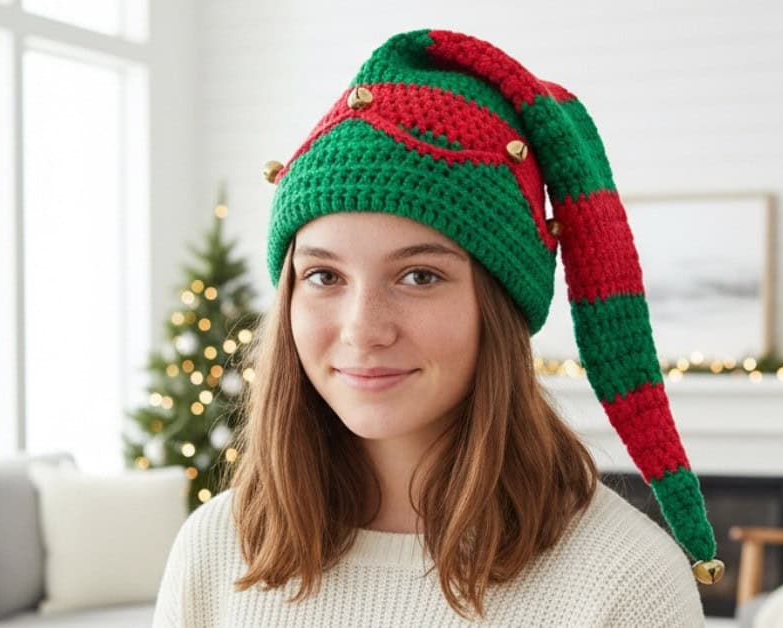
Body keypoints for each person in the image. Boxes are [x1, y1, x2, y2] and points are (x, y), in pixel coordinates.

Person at [152, 27, 724, 627]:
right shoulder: (217, 549)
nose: (363, 330)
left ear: (498, 307)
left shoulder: (625, 580)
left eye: (419, 276)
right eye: (324, 276)